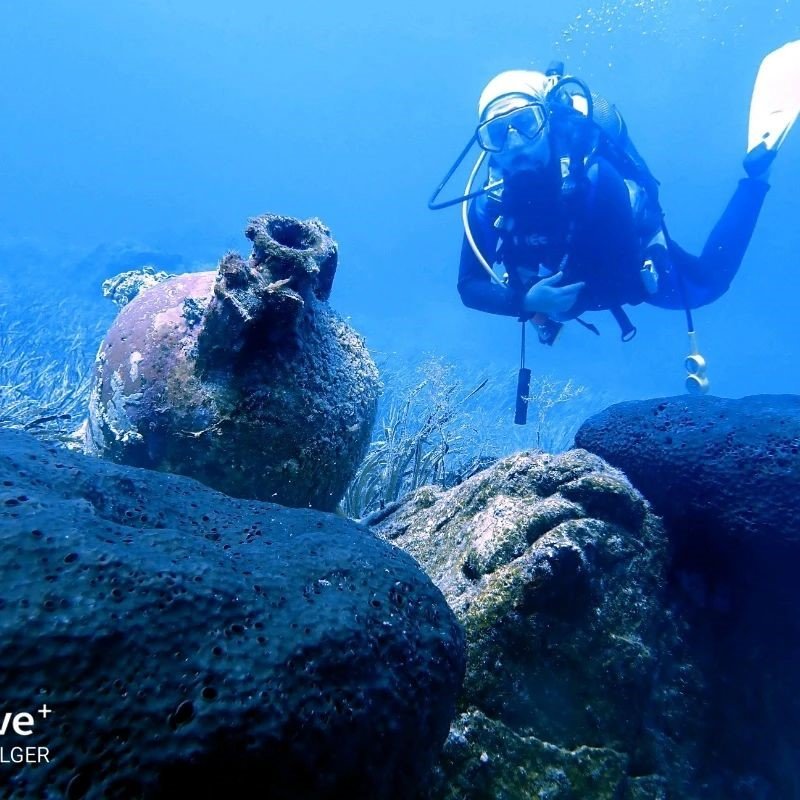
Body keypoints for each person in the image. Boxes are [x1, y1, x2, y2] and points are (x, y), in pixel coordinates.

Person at [429, 42, 800, 395]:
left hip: (629, 258)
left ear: (547, 119)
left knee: (709, 283)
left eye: (526, 123)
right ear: (485, 145)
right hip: (565, 277)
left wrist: (555, 302)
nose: (514, 142)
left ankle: (756, 177)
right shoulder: (489, 202)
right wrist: (527, 301)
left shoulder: (593, 178)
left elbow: (622, 282)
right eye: (497, 133)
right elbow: (469, 286)